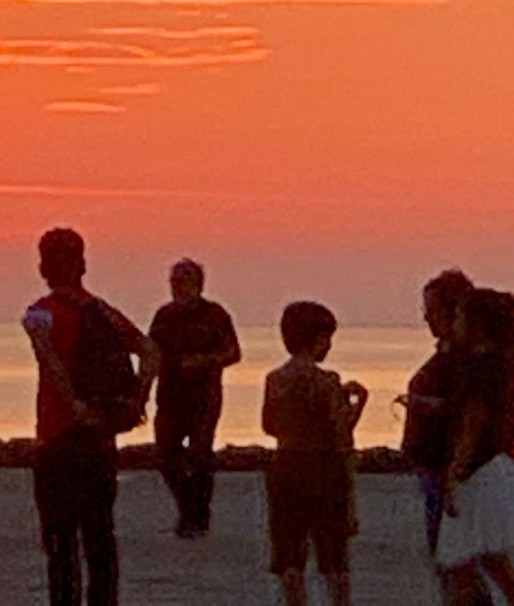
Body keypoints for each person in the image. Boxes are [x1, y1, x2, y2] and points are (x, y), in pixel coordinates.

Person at [22, 227, 159, 606]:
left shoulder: (41, 314)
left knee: (60, 544)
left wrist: (75, 406)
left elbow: (49, 362)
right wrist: (137, 400)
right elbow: (150, 350)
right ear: (82, 264)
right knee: (100, 539)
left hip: (59, 436)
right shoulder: (102, 311)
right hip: (100, 439)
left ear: (44, 266)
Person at [261, 300, 367, 606]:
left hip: (286, 464)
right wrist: (360, 403)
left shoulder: (276, 380)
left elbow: (269, 425)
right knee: (334, 555)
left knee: (290, 555)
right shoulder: (327, 381)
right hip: (324, 466)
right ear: (318, 339)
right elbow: (341, 433)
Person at [147, 258, 241, 538]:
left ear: (198, 284)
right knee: (165, 455)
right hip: (170, 397)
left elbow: (234, 352)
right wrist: (139, 393)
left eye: (184, 282)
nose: (178, 288)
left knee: (200, 456)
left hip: (204, 398)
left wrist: (204, 360)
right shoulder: (164, 316)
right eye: (174, 282)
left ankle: (197, 517)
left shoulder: (215, 315)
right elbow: (152, 354)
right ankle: (188, 507)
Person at [435, 287, 514, 602]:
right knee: (489, 557)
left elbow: (474, 420)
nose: (454, 324)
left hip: (478, 472)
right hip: (496, 468)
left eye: (458, 317)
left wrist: (455, 471)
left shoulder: (479, 365)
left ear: (476, 325)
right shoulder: (501, 363)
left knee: (459, 560)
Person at [403, 270, 478, 561]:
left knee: (454, 556)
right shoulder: (447, 355)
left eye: (431, 310)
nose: (426, 318)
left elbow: (469, 411)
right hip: (433, 466)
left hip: (449, 468)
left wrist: (427, 404)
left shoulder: (465, 360)